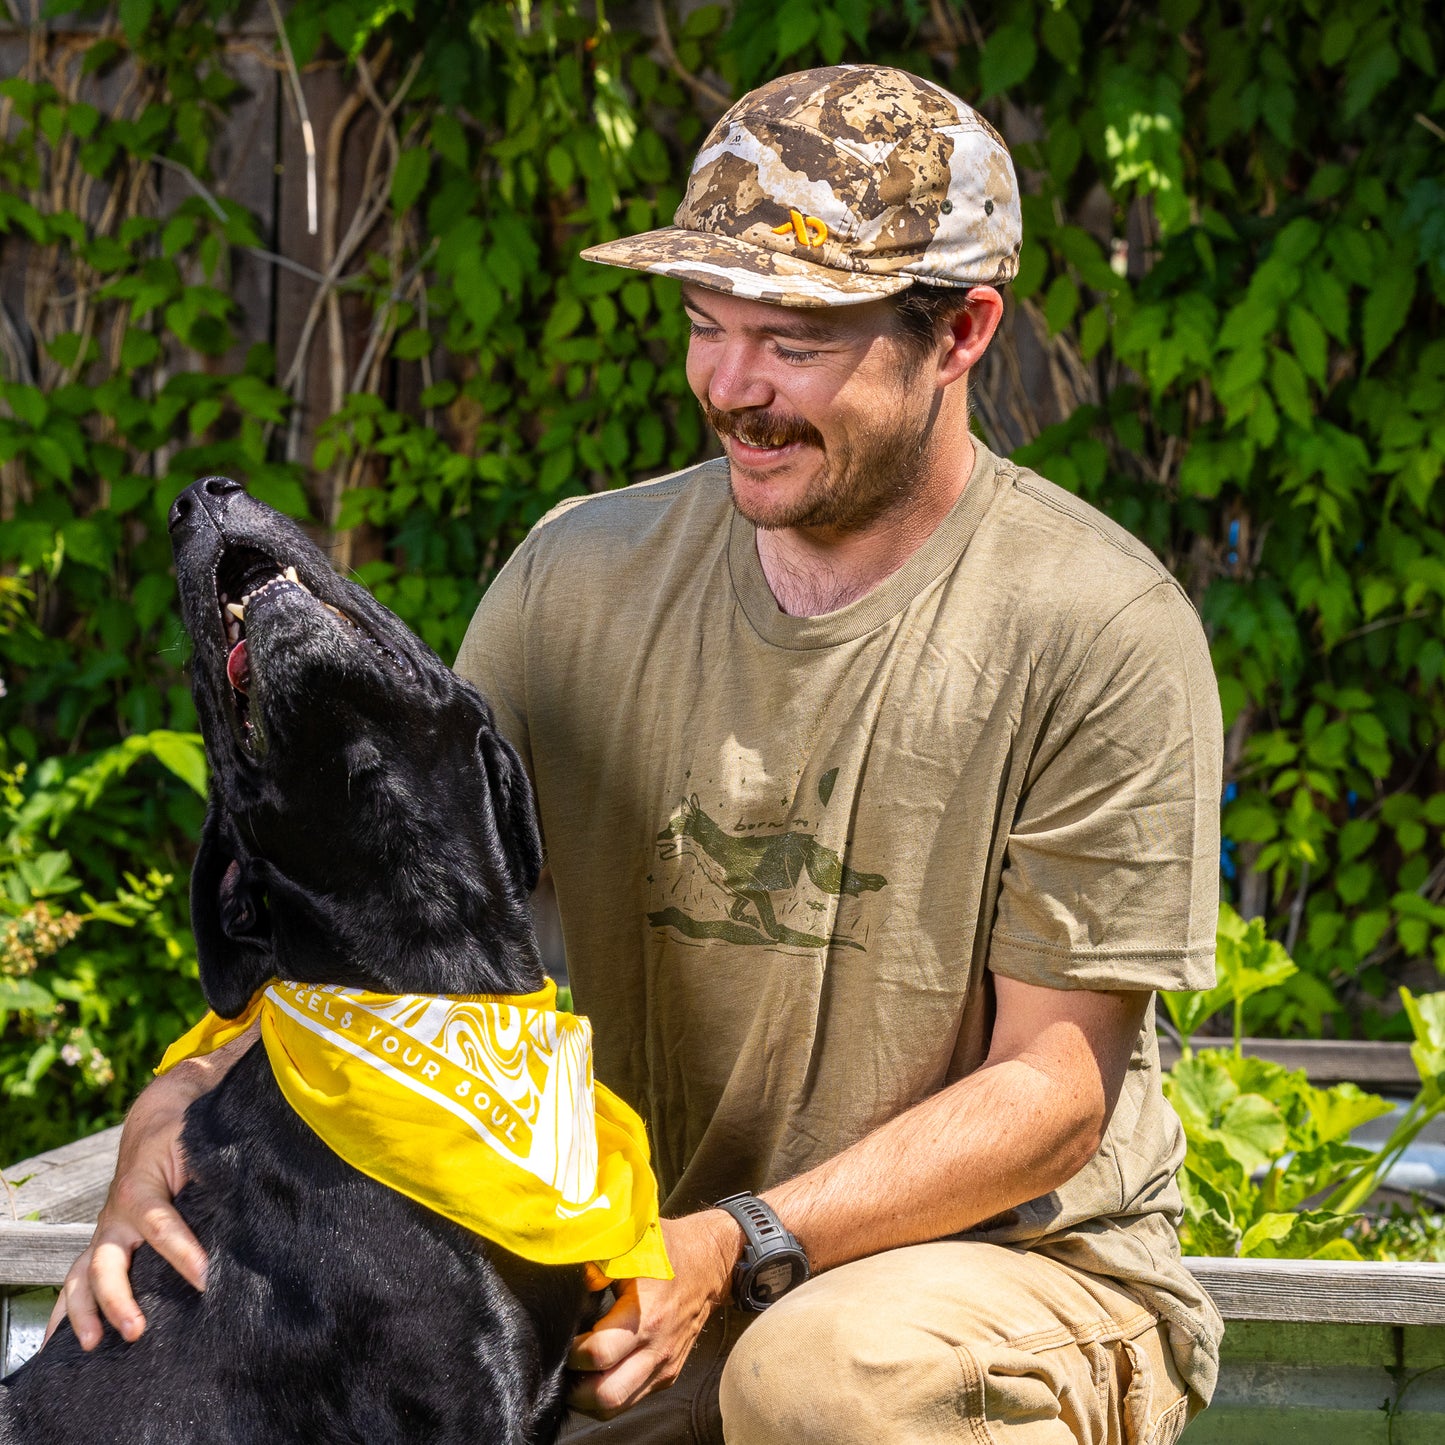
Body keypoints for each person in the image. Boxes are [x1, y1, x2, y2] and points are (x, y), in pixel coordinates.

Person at [55, 65, 1223, 1444]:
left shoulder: (1093, 625)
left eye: (791, 342)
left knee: (822, 1375)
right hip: (648, 1274)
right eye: (703, 325)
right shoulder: (577, 577)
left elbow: (1052, 1091)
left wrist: (740, 1237)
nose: (730, 386)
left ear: (961, 331)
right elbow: (397, 915)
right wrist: (175, 1108)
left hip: (1001, 1277)